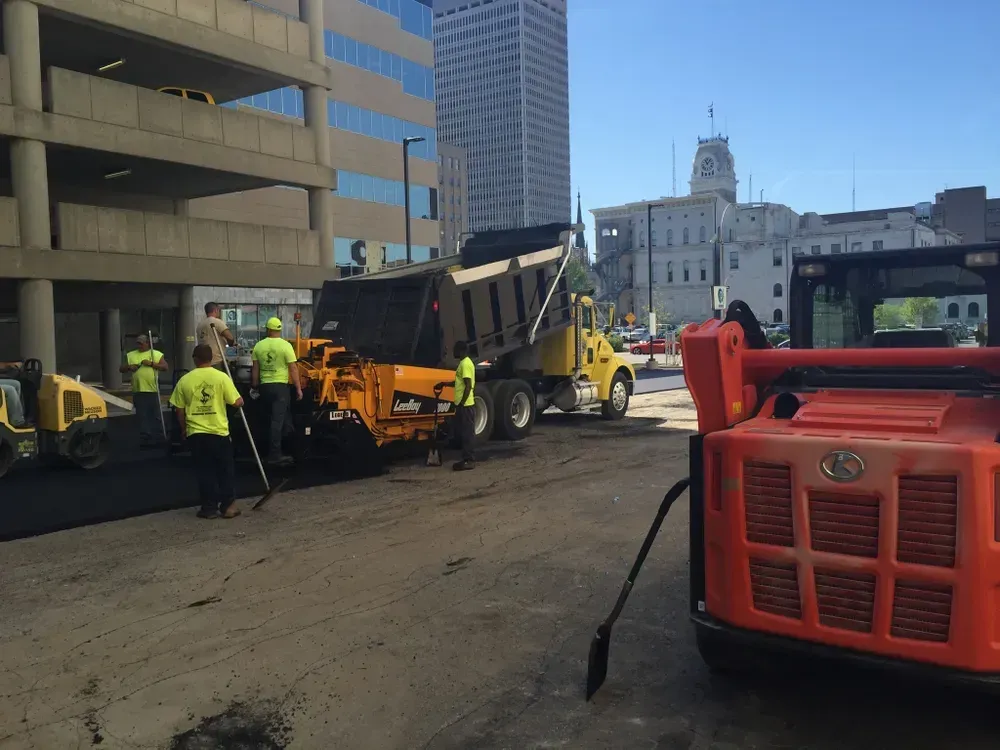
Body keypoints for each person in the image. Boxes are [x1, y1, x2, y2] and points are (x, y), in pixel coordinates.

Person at [170, 344, 245, 520]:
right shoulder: (221, 378)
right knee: (225, 470)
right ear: (211, 359)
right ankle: (228, 506)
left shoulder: (185, 380)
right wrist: (240, 401)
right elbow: (236, 402)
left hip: (196, 433)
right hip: (219, 432)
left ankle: (209, 508)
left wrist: (184, 429)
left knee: (205, 471)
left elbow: (179, 410)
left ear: (195, 359)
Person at [251, 316, 302, 466]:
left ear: (268, 329)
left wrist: (254, 386)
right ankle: (275, 455)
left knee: (273, 419)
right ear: (280, 330)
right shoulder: (286, 346)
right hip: (280, 388)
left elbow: (255, 369)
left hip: (265, 387)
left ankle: (281, 448)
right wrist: (298, 388)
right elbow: (293, 368)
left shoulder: (259, 346)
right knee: (277, 421)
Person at [120, 334, 168, 448]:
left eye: (142, 343)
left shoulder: (155, 354)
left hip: (153, 389)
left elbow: (165, 367)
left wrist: (152, 364)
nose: (140, 346)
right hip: (138, 390)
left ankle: (160, 436)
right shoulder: (131, 355)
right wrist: (128, 367)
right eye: (138, 343)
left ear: (148, 343)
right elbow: (121, 368)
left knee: (156, 415)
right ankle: (145, 437)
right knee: (142, 416)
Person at [452, 340, 476, 471]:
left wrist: (462, 403)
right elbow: (460, 383)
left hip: (466, 405)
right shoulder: (463, 363)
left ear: (461, 351)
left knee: (467, 433)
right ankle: (466, 458)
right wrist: (444, 384)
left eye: (455, 350)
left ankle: (469, 460)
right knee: (464, 432)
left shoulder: (466, 364)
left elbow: (468, 385)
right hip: (464, 404)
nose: (453, 352)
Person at [196, 302, 236, 371]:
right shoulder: (217, 322)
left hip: (202, 362)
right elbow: (230, 337)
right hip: (216, 360)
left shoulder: (200, 325)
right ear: (216, 310)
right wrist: (231, 344)